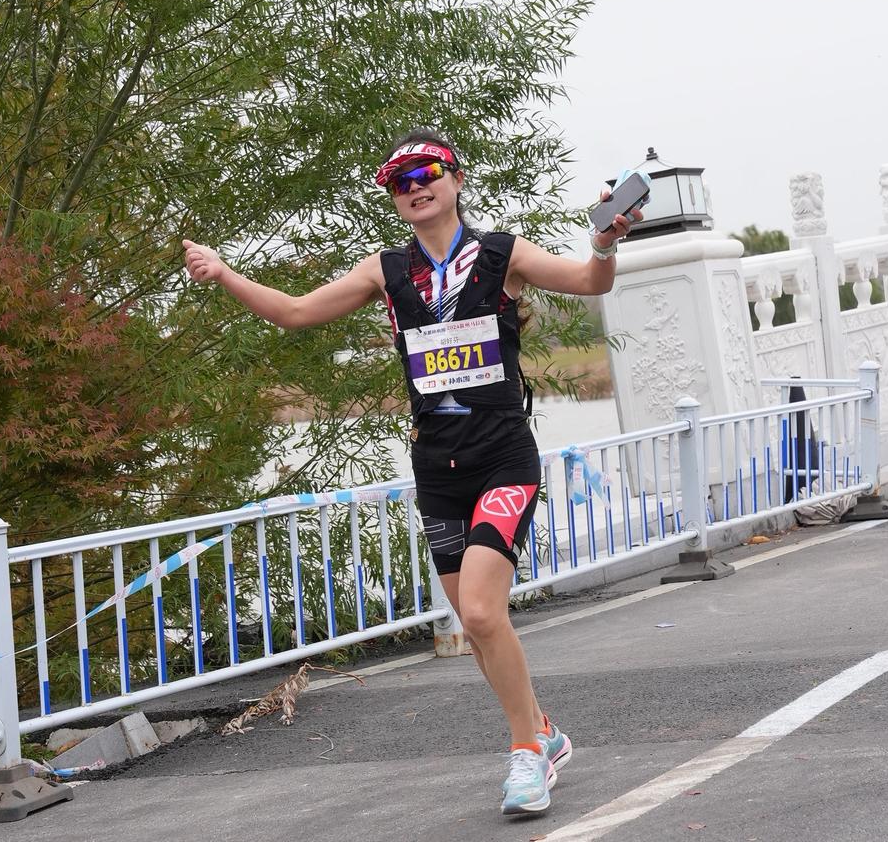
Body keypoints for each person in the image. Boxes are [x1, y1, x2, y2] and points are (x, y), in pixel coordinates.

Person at [183, 129, 641, 815]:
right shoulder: (386, 270)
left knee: (483, 611)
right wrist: (224, 273)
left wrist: (605, 242)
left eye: (426, 172)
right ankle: (543, 732)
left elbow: (587, 282)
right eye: (398, 181)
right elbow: (297, 313)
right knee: (479, 625)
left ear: (457, 180)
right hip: (437, 463)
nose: (413, 187)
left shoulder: (501, 252)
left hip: (501, 455)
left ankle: (526, 755)